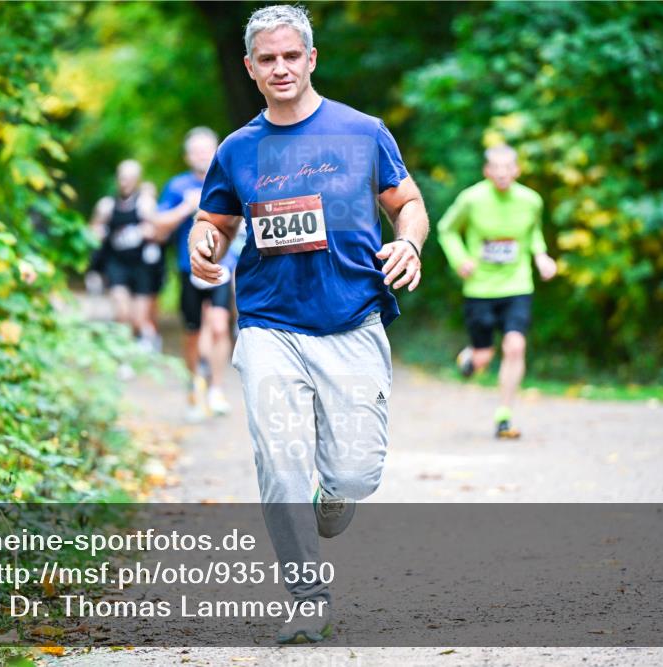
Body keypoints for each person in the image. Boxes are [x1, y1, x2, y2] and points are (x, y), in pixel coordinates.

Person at [188, 5, 428, 644]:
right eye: (267, 59)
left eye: (292, 55)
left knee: (355, 473)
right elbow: (214, 220)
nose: (281, 68)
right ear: (251, 68)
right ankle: (306, 598)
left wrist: (409, 243)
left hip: (352, 320)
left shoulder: (362, 131)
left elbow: (407, 204)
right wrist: (202, 242)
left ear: (311, 58)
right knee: (281, 458)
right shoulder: (238, 150)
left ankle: (335, 494)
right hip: (269, 326)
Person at [436, 144, 557, 439]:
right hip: (480, 288)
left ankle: (504, 415)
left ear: (516, 170)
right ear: (487, 171)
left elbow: (534, 233)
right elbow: (446, 229)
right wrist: (460, 258)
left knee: (515, 345)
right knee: (483, 358)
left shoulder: (531, 200)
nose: (502, 174)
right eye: (496, 169)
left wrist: (541, 255)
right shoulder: (472, 199)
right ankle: (471, 358)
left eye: (508, 168)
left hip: (517, 285)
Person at [151, 128, 236, 419]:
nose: (202, 155)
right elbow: (157, 228)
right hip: (189, 269)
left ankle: (216, 389)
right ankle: (194, 386)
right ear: (188, 156)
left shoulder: (228, 181)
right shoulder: (177, 186)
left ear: (216, 150)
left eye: (207, 149)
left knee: (220, 325)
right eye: (196, 151)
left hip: (223, 266)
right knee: (193, 332)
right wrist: (186, 208)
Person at [87, 160, 163, 351]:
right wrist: (97, 232)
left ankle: (145, 336)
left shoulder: (145, 204)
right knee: (122, 311)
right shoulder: (106, 205)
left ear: (137, 180)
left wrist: (150, 231)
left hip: (141, 266)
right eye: (122, 177)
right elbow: (91, 229)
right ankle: (124, 354)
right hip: (117, 264)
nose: (125, 182)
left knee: (138, 319)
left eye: (129, 178)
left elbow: (159, 231)